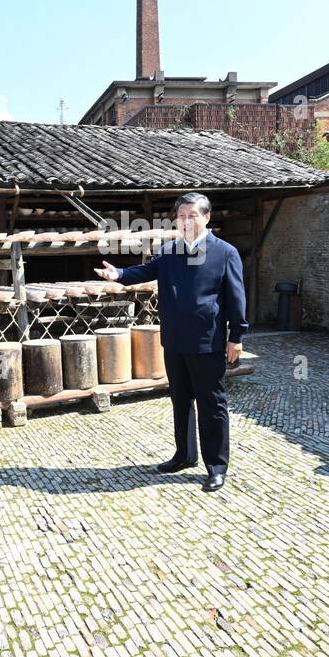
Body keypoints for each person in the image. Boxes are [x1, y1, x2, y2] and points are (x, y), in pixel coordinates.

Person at [95, 192, 247, 493]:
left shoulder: (225, 252)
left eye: (193, 215)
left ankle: (216, 466)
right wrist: (119, 274)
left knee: (212, 404)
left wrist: (236, 337)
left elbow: (236, 297)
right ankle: (184, 455)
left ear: (206, 217)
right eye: (181, 216)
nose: (187, 221)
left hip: (208, 341)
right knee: (180, 400)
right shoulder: (170, 251)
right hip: (175, 340)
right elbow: (146, 271)